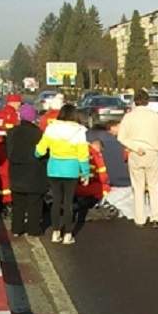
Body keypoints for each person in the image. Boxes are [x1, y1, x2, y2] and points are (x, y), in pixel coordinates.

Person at [36, 104, 90, 245]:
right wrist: (85, 172)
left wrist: (37, 154)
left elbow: (41, 148)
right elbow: (83, 155)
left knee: (56, 201)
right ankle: (68, 234)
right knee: (68, 203)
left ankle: (55, 232)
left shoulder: (51, 128)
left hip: (54, 168)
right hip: (71, 170)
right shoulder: (79, 131)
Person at [118, 90, 158, 228]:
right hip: (152, 153)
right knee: (153, 186)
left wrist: (133, 146)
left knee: (138, 186)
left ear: (135, 101)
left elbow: (121, 137)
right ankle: (156, 217)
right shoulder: (155, 117)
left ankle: (140, 219)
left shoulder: (129, 117)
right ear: (147, 101)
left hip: (135, 153)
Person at [6, 104, 47, 237]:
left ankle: (17, 229)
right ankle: (33, 229)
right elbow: (44, 153)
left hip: (17, 172)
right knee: (34, 204)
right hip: (35, 173)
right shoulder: (39, 133)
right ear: (33, 117)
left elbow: (8, 151)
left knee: (18, 203)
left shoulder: (12, 132)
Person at [0, 93, 22, 216]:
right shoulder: (13, 116)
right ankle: (8, 204)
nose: (19, 106)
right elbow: (16, 136)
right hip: (6, 151)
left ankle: (1, 204)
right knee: (8, 178)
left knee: (0, 178)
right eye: (19, 104)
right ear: (15, 103)